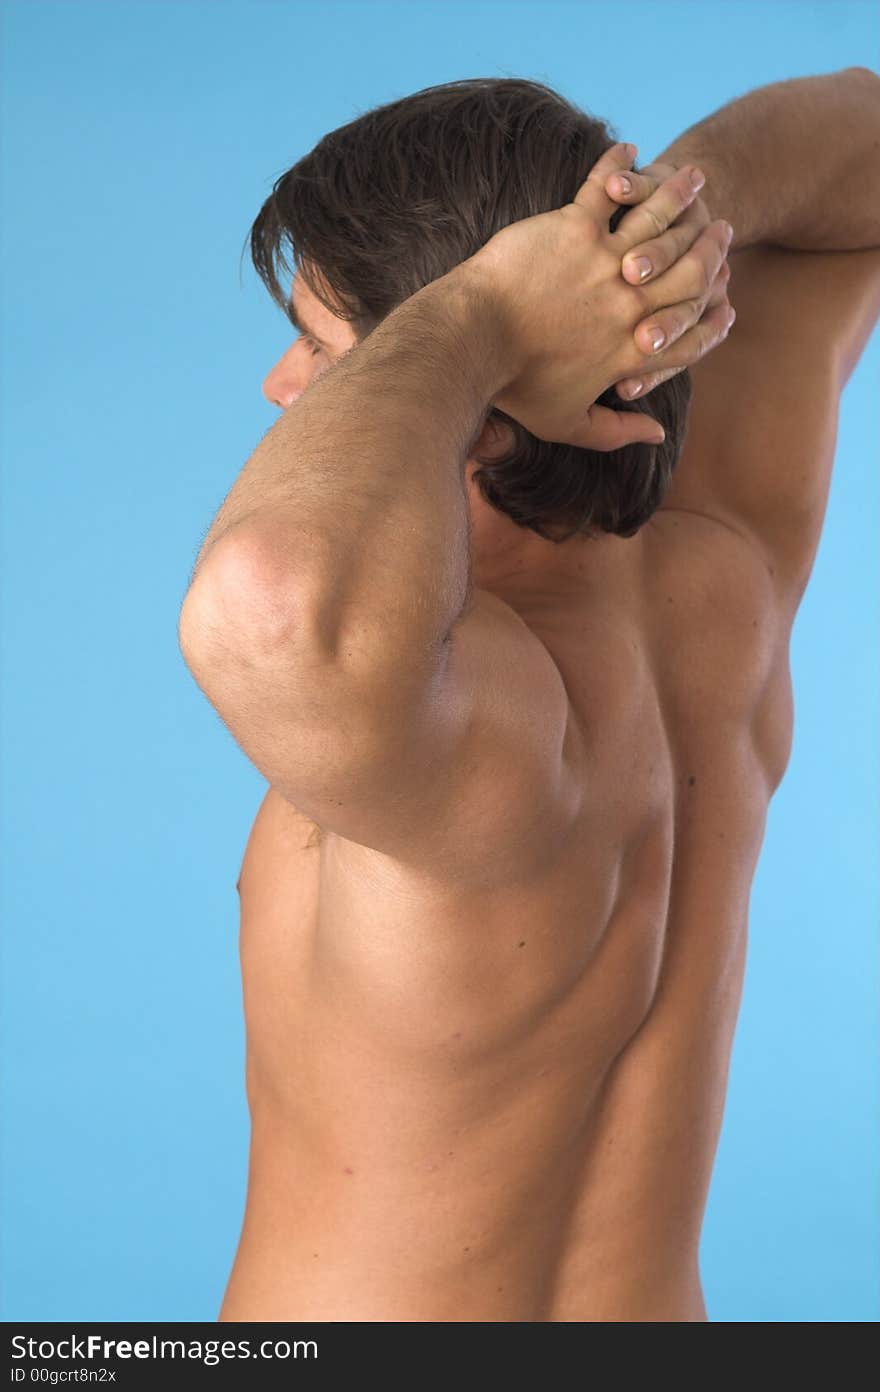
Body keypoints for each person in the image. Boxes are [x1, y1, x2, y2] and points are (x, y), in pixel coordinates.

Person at [178, 70, 880, 1322]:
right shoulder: (725, 567)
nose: (286, 387)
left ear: (486, 404)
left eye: (341, 349)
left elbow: (265, 601)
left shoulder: (456, 725)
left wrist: (489, 316)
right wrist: (653, 230)